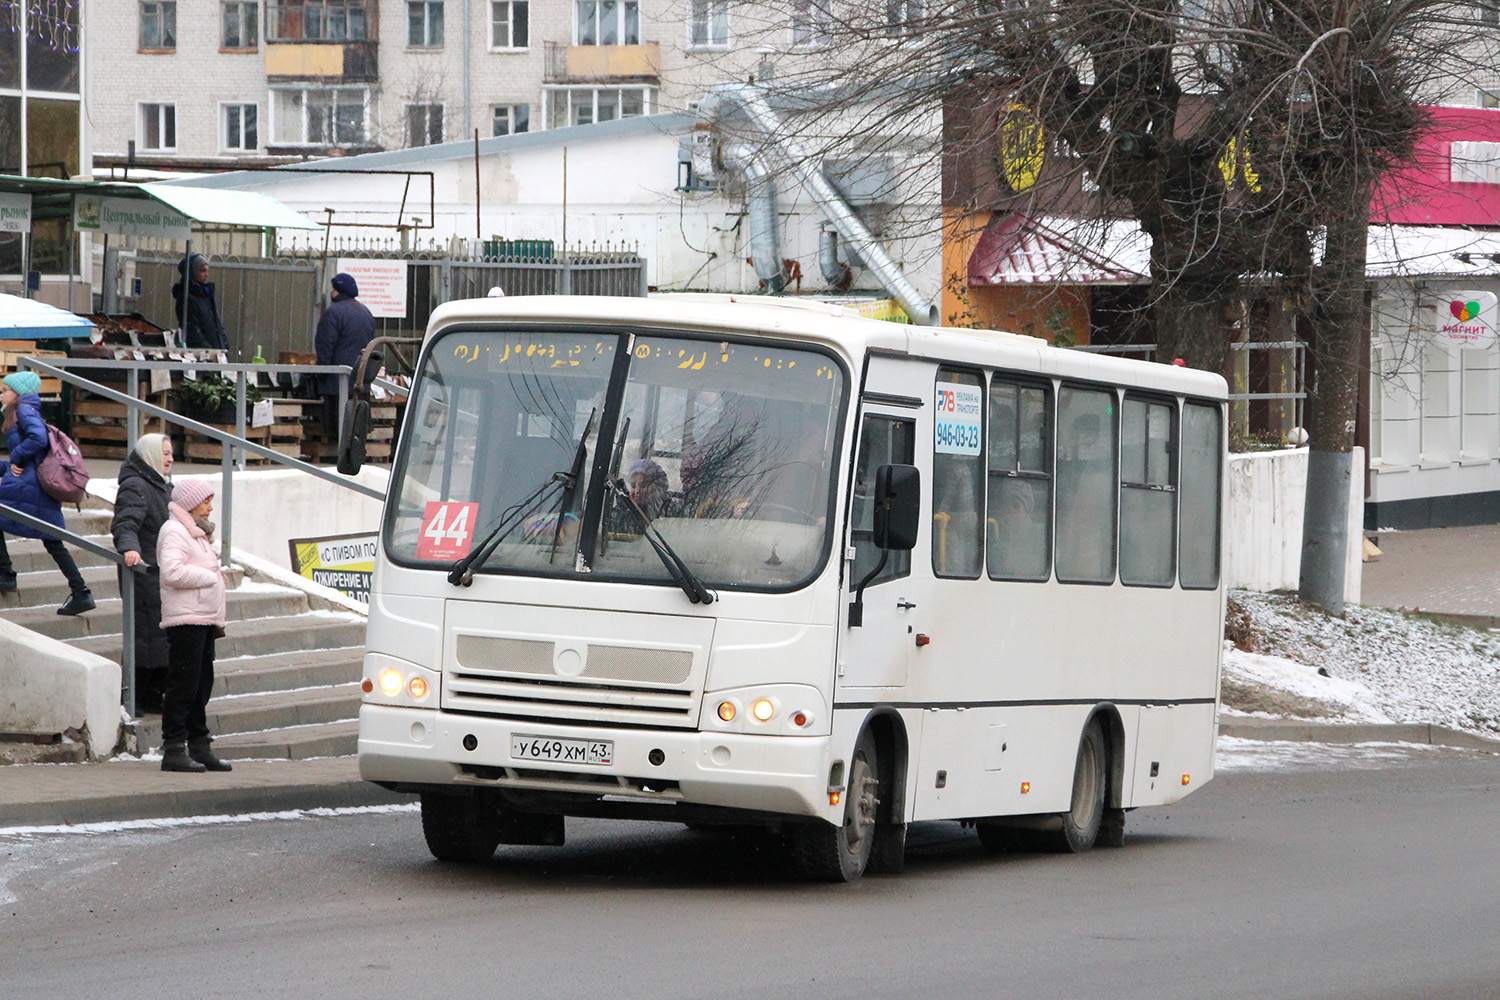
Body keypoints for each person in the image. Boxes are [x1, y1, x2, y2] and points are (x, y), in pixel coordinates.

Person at [0, 371, 95, 616]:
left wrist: (16, 457)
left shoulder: (23, 411)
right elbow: (25, 460)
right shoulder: (25, 412)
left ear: (18, 394)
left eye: (5, 390)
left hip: (29, 488)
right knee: (53, 541)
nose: (1, 394)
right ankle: (81, 591)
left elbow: (38, 440)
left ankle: (6, 574)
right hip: (36, 487)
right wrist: (11, 463)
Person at [156, 479, 232, 773]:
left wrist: (215, 573)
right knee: (184, 684)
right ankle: (174, 748)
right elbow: (172, 572)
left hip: (203, 618)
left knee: (201, 684)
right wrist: (210, 577)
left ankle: (200, 745)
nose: (211, 508)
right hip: (186, 619)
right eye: (206, 502)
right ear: (189, 504)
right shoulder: (174, 530)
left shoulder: (195, 532)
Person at [110, 433, 174, 712]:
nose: (170, 459)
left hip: (159, 573)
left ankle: (151, 694)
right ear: (151, 456)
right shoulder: (137, 485)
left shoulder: (159, 484)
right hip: (143, 573)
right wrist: (129, 549)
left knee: (157, 637)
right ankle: (136, 695)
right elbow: (125, 524)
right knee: (145, 637)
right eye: (165, 454)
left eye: (171, 453)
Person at [314, 271, 378, 438]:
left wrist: (321, 375)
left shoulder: (333, 313)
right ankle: (357, 451)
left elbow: (325, 347)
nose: (331, 292)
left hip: (337, 383)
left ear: (338, 291)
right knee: (357, 422)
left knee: (339, 424)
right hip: (360, 379)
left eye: (333, 288)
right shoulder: (365, 312)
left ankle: (338, 454)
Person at [171, 254, 229, 351]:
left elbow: (217, 323)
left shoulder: (206, 296)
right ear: (191, 273)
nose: (206, 275)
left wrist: (224, 343)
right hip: (203, 356)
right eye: (202, 271)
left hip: (216, 353)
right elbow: (192, 332)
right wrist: (208, 352)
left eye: (207, 270)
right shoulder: (187, 300)